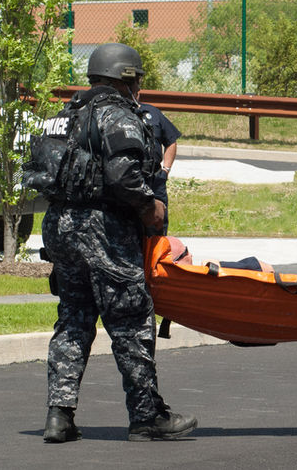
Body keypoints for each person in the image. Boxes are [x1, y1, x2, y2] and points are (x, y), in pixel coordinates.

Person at [38, 43, 198, 443]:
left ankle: (59, 416)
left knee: (74, 318)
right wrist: (150, 209)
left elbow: (40, 174)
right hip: (104, 229)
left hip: (60, 227)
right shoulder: (119, 116)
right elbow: (124, 175)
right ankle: (146, 417)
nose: (140, 87)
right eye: (138, 80)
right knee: (130, 320)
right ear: (126, 79)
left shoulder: (62, 117)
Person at [136, 100, 180, 236]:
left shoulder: (152, 112)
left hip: (155, 180)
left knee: (157, 229)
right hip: (131, 180)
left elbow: (171, 141)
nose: (136, 88)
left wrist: (166, 170)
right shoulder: (116, 113)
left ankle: (156, 257)